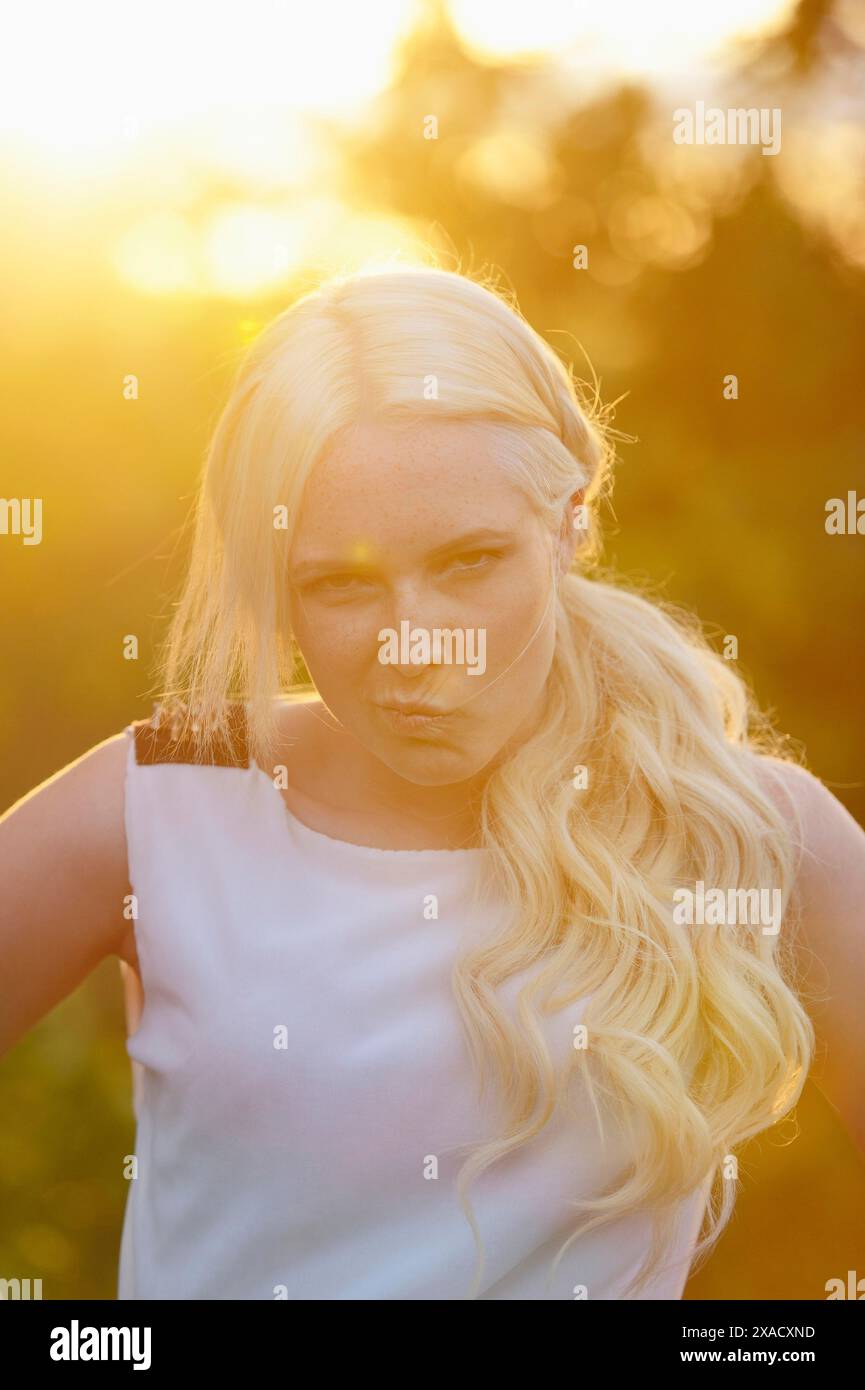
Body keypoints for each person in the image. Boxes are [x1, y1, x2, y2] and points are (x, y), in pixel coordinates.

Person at [2, 265, 863, 1300]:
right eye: (341, 582)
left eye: (469, 560)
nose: (415, 645)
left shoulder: (755, 831)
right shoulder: (164, 793)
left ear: (570, 523)